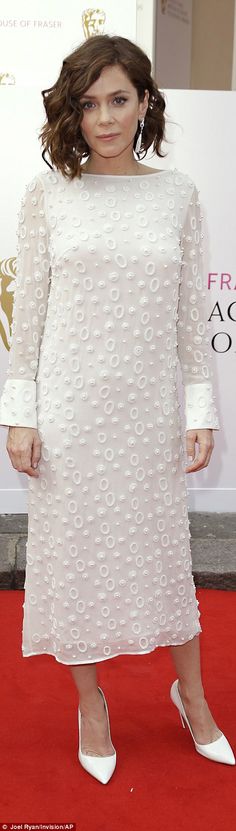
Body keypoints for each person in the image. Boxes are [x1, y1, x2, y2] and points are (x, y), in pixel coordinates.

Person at [0, 34, 234, 785]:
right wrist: (20, 415)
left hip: (144, 419)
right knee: (72, 566)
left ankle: (192, 697)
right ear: (73, 111)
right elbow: (27, 320)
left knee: (169, 562)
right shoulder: (48, 195)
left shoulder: (178, 194)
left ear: (144, 104)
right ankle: (91, 704)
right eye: (89, 102)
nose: (104, 117)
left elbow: (187, 322)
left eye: (119, 100)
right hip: (69, 417)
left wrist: (200, 409)